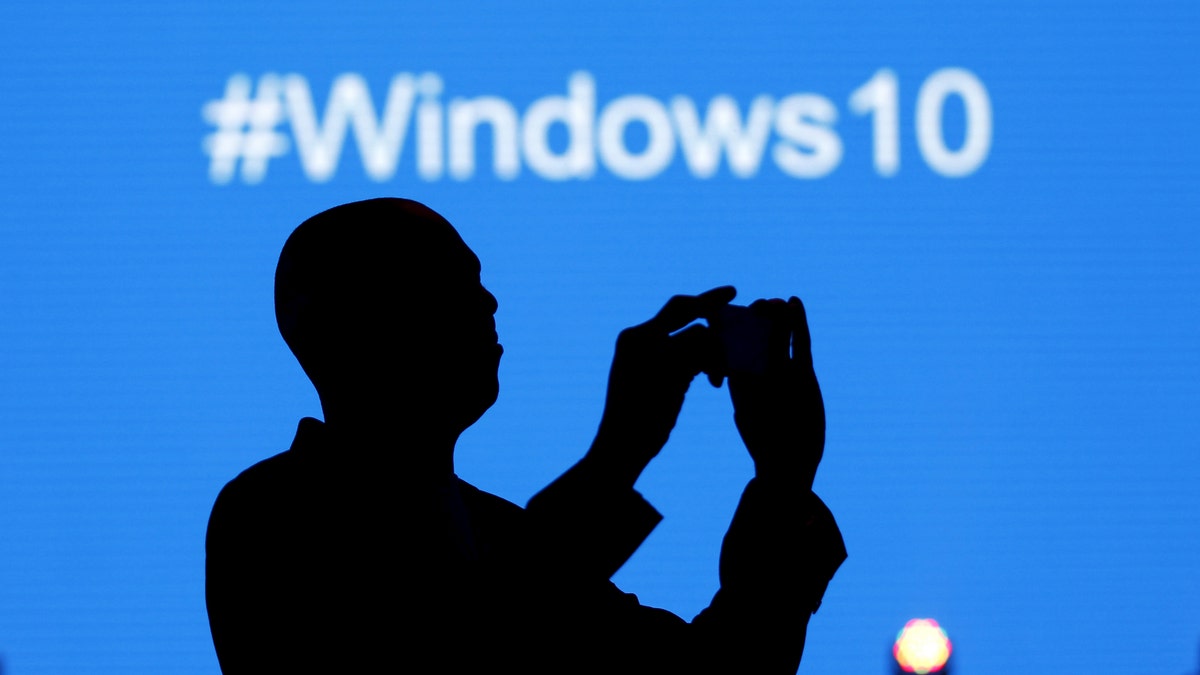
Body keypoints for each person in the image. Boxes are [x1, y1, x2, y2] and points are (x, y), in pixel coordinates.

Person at [204, 197, 846, 674]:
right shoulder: (271, 516)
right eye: (448, 282)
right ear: (349, 328)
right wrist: (618, 452)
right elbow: (473, 640)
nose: (489, 303)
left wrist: (783, 482)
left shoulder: (500, 533)